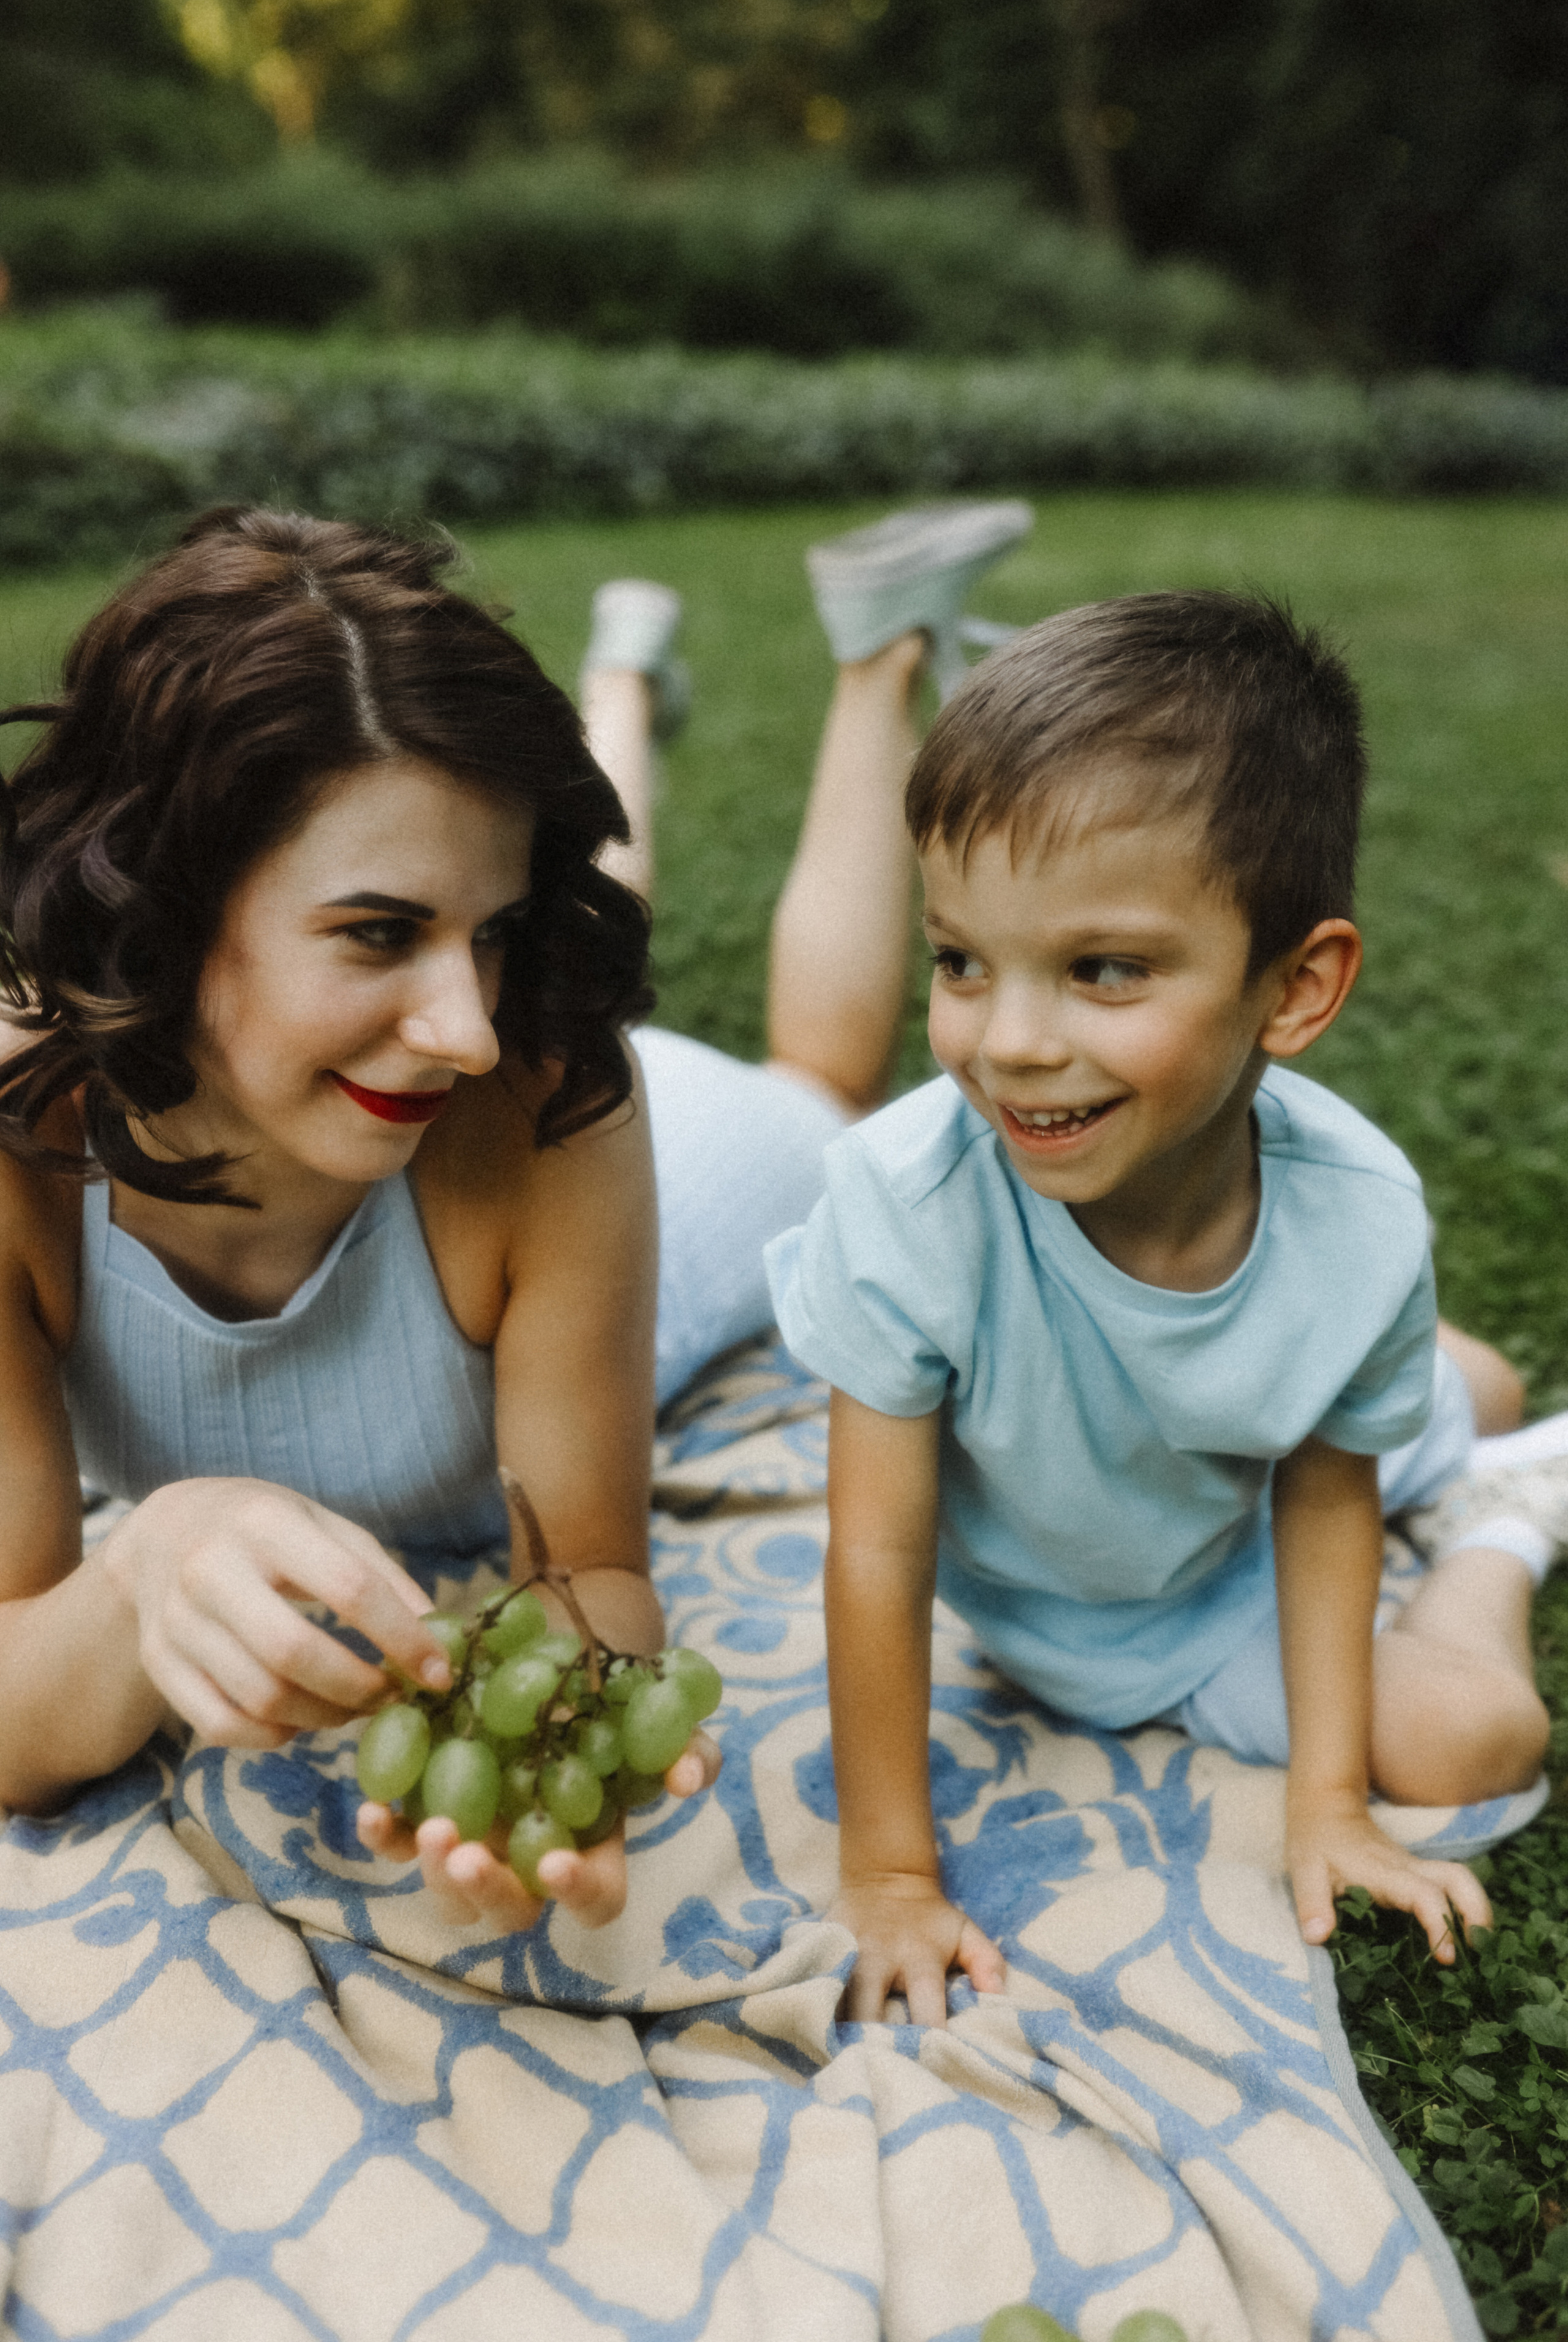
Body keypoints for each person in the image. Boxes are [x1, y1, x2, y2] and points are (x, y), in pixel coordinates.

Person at [0, 496, 1028, 1936]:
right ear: (156, 895)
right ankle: (619, 688)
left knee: (816, 1088)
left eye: (487, 936)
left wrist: (562, 1765)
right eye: (377, 931)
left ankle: (874, 662)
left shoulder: (539, 1094)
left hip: (671, 1170)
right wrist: (141, 1574)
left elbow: (590, 1577)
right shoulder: (15, 1147)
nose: (466, 1023)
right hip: (397, 1102)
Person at [766, 589, 1554, 2026]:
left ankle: (1503, 1514)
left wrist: (1325, 1801)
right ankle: (1470, 1422)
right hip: (1070, 1597)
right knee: (1462, 1391)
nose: (1008, 1043)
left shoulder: (1356, 1217)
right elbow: (876, 1553)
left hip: (1230, 1583)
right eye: (958, 962)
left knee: (1476, 1736)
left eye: (1101, 970)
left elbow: (1324, 1500)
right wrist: (887, 1869)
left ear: (1294, 990)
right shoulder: (905, 1203)